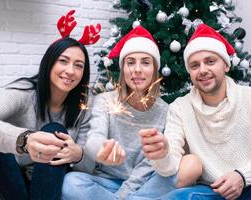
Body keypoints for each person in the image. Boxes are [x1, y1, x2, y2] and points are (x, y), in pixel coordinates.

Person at [139, 24, 251, 200]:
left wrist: (242, 176)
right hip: (212, 192)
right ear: (190, 73)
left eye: (210, 61)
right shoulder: (179, 108)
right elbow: (171, 166)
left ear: (226, 65)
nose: (203, 70)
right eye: (195, 65)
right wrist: (162, 154)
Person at [62, 26, 202, 200]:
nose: (137, 69)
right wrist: (101, 150)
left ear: (155, 70)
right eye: (130, 62)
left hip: (145, 183)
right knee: (70, 182)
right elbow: (94, 139)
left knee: (186, 169)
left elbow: (150, 165)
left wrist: (123, 195)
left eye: (145, 62)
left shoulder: (166, 111)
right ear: (123, 69)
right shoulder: (105, 101)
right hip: (105, 182)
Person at [0, 10, 101, 200]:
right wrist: (24, 140)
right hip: (11, 179)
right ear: (49, 63)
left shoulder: (85, 105)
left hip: (50, 182)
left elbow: (88, 167)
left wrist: (79, 154)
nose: (70, 71)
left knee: (54, 131)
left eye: (79, 65)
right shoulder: (24, 92)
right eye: (63, 61)